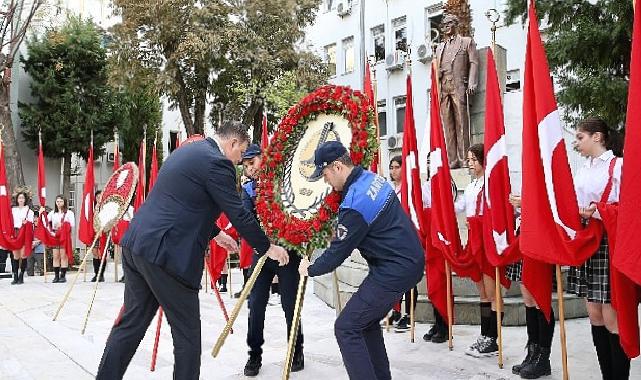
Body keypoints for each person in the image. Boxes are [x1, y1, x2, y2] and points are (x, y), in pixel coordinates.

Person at [96, 121, 290, 380]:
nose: (240, 159)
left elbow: (182, 203)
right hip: (168, 256)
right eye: (241, 152)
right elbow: (239, 214)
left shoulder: (187, 152)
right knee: (187, 339)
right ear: (233, 143)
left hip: (138, 245)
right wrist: (268, 247)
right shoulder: (218, 163)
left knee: (130, 325)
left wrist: (217, 233)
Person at [299, 141, 425, 380]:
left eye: (324, 174)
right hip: (404, 260)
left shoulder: (355, 202)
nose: (325, 181)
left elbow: (337, 253)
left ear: (337, 167)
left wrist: (311, 268)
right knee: (364, 323)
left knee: (346, 327)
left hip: (395, 268)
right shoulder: (370, 178)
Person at [567, 117, 629, 380]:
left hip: (610, 241)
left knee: (612, 315)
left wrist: (599, 212)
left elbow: (630, 208)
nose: (576, 143)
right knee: (594, 313)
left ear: (597, 137)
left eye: (580, 137)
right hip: (588, 241)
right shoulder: (583, 170)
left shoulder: (618, 166)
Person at [241, 144, 304, 376]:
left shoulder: (284, 183)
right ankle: (254, 355)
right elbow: (247, 221)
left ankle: (297, 349)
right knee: (256, 305)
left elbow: (299, 212)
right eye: (246, 166)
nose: (250, 169)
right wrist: (267, 246)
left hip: (288, 252)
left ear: (263, 158)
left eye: (253, 162)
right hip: (263, 253)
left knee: (291, 304)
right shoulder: (248, 190)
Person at [453, 143, 500, 357]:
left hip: (487, 241)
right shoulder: (472, 186)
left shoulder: (490, 184)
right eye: (469, 160)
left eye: (473, 160)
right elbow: (458, 206)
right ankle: (485, 335)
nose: (470, 164)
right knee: (482, 292)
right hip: (474, 241)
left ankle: (493, 338)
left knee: (492, 292)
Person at [505, 195, 556, 379]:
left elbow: (550, 204)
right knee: (527, 298)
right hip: (525, 234)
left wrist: (525, 203)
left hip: (540, 236)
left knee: (539, 299)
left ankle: (543, 357)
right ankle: (532, 352)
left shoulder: (547, 171)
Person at [435, 13, 479, 169]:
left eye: (448, 24)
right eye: (444, 25)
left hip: (459, 87)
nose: (446, 27)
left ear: (456, 24)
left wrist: (472, 82)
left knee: (461, 123)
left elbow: (474, 62)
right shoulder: (440, 47)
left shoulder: (466, 42)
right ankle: (452, 159)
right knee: (448, 126)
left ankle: (464, 158)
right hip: (443, 88)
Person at [385, 155, 419, 332]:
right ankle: (396, 311)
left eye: (397, 167)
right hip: (393, 238)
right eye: (391, 167)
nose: (393, 171)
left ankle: (408, 315)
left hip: (408, 238)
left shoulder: (409, 189)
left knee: (409, 279)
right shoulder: (390, 189)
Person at [45, 195, 75, 283]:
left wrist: (63, 225)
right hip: (55, 235)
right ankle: (56, 276)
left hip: (64, 236)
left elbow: (72, 224)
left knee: (63, 256)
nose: (59, 203)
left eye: (61, 201)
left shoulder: (69, 213)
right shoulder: (52, 213)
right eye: (57, 201)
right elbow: (46, 223)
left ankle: (63, 276)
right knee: (55, 256)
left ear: (64, 202)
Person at [11, 190, 35, 284]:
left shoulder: (29, 211)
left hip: (24, 232)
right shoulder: (13, 210)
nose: (21, 200)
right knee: (15, 255)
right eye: (19, 198)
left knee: (23, 255)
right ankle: (15, 276)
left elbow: (32, 224)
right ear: (17, 199)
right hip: (16, 232)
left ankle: (21, 275)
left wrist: (27, 223)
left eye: (23, 198)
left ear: (25, 199)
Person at [91, 190, 107, 282]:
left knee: (102, 253)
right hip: (94, 233)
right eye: (97, 197)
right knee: (95, 253)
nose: (99, 199)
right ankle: (96, 273)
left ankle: (101, 274)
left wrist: (102, 229)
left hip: (103, 233)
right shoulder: (93, 208)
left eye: (100, 197)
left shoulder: (106, 208)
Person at [27, 210, 45, 276]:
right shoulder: (31, 227)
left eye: (36, 220)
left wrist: (37, 242)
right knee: (29, 267)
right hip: (30, 249)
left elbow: (44, 237)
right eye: (34, 220)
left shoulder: (42, 228)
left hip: (39, 250)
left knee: (41, 267)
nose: (35, 222)